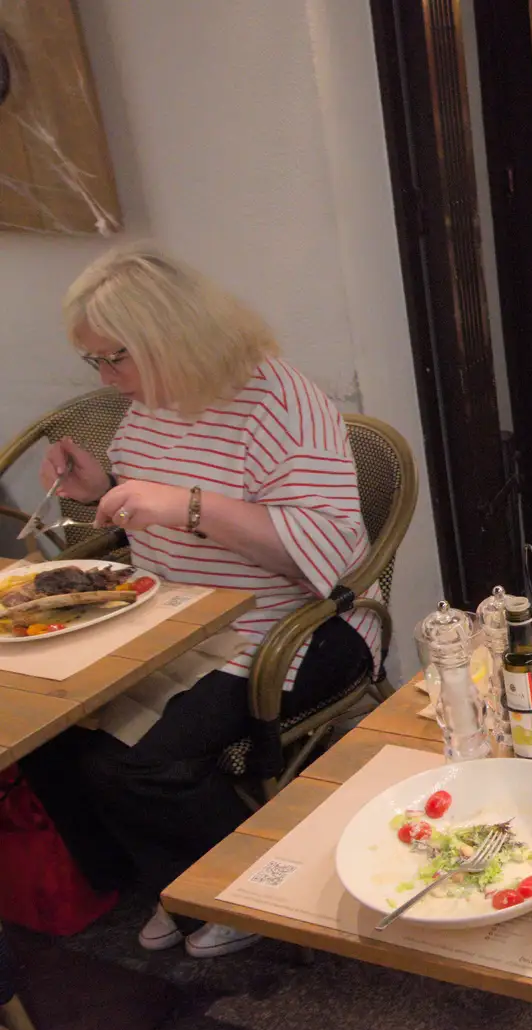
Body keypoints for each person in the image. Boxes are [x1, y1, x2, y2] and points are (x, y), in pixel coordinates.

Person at [19, 246, 379, 958]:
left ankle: (237, 891)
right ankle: (171, 878)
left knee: (131, 761)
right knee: (49, 729)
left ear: (169, 337)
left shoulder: (279, 401)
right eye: (94, 362)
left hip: (289, 625)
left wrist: (188, 507)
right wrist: (105, 486)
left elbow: (336, 554)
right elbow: (159, 487)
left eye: (113, 358)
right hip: (174, 619)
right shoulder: (152, 402)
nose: (106, 379)